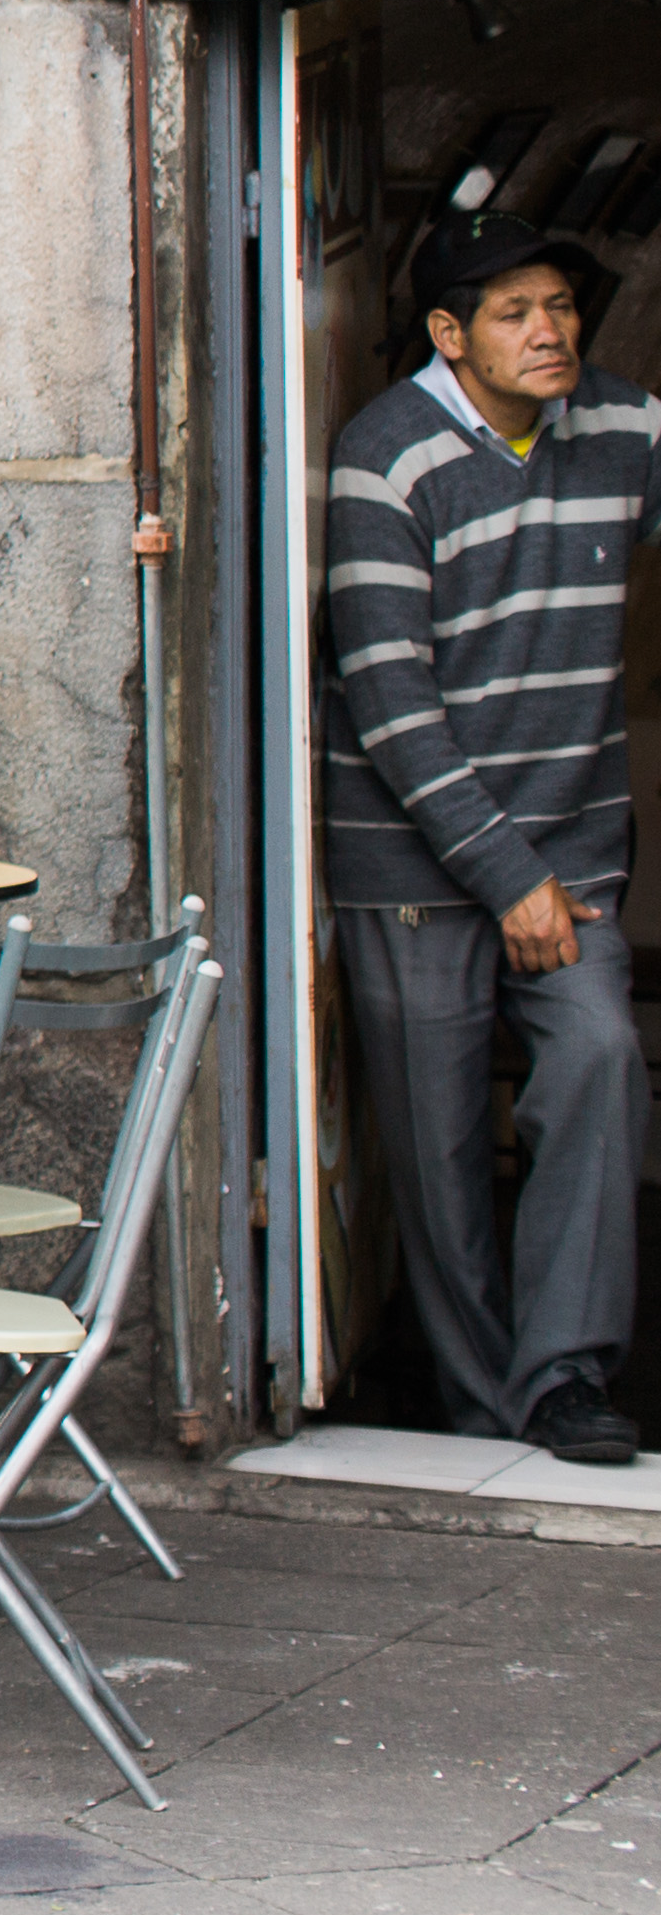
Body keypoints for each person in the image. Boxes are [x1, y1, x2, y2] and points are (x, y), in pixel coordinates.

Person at [325, 218, 648, 1470]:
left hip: (571, 850)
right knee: (437, 1141)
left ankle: (560, 1380)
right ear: (449, 336)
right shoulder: (382, 456)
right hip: (410, 862)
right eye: (514, 312)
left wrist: (540, 872)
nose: (550, 331)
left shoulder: (623, 429)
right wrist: (504, 874)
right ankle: (476, 1403)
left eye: (560, 304)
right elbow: (391, 703)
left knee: (601, 1062)